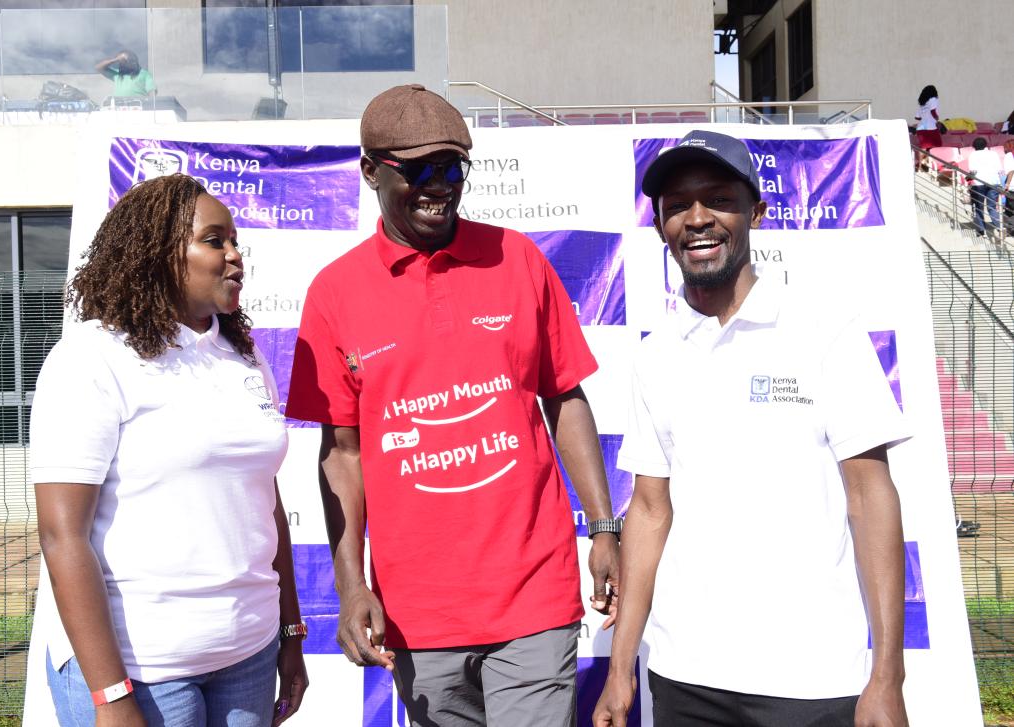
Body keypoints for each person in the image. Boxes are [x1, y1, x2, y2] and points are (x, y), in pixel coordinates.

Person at [286, 84, 620, 727]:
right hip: (418, 611)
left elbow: (566, 397)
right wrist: (352, 582)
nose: (438, 185)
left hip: (534, 597)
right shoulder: (334, 293)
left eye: (451, 168)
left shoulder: (518, 259)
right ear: (369, 172)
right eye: (416, 170)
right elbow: (342, 454)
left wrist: (602, 526)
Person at [593, 129, 910, 727]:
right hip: (685, 677)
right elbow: (650, 511)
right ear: (661, 227)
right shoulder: (655, 355)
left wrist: (887, 677)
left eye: (717, 198)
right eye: (677, 206)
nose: (697, 218)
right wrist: (619, 670)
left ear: (757, 213)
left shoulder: (824, 330)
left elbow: (870, 498)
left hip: (812, 680)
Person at [31, 174, 307, 727]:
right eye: (214, 241)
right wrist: (112, 696)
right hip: (143, 670)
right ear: (158, 254)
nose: (235, 257)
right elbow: (63, 536)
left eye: (235, 242)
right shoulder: (92, 358)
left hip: (246, 660)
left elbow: (263, 503)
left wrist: (290, 635)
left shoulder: (243, 359)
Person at [966, 136, 1003, 235]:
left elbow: (972, 171)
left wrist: (967, 178)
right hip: (994, 182)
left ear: (974, 146)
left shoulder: (973, 155)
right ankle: (1000, 228)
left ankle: (982, 230)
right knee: (992, 207)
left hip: (979, 183)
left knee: (979, 207)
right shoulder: (993, 154)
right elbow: (1000, 170)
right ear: (986, 145)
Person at [913, 85, 941, 170]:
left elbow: (917, 117)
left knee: (924, 147)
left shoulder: (922, 103)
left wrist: (925, 116)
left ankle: (922, 167)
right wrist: (936, 118)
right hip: (930, 128)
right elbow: (933, 111)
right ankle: (930, 166)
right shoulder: (933, 99)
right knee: (937, 145)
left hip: (921, 128)